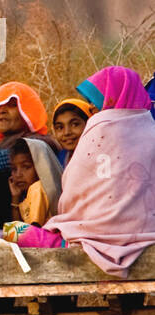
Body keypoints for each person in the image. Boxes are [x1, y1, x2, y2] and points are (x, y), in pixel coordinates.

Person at [10, 66, 155, 277]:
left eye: (96, 104)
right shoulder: (151, 131)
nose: (94, 111)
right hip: (146, 234)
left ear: (112, 100)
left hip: (91, 238)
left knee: (13, 230)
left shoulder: (100, 129)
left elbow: (70, 197)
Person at [0, 82, 57, 227]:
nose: (1, 111)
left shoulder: (37, 143)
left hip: (31, 232)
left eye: (12, 105)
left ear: (28, 111)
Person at [6, 138, 61, 226]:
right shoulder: (29, 192)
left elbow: (31, 231)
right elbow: (19, 228)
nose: (18, 174)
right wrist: (15, 198)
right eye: (14, 169)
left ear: (41, 166)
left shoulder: (37, 188)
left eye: (26, 167)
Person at [51, 97, 97, 169]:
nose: (66, 133)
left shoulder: (100, 156)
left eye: (74, 124)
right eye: (60, 127)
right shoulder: (59, 159)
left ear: (90, 124)